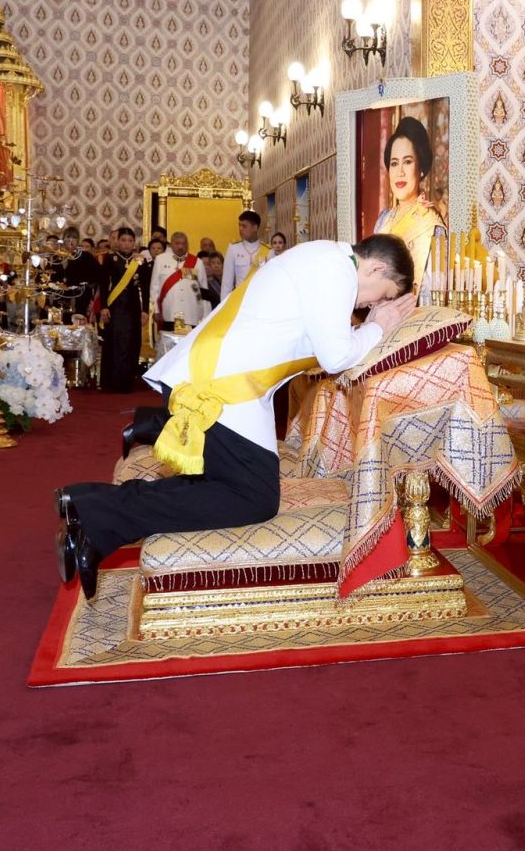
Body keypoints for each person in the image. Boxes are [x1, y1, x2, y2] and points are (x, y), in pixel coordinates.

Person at [54, 234, 418, 598]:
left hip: (232, 385)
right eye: (382, 295)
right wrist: (378, 326)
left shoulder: (327, 260)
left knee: (227, 485)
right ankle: (96, 513)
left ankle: (91, 510)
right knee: (252, 497)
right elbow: (336, 357)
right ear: (376, 268)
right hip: (220, 386)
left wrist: (367, 329)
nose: (373, 305)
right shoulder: (337, 271)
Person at [373, 116, 445, 288]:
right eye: (394, 163)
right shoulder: (383, 219)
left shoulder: (431, 226)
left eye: (407, 162)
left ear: (420, 169)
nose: (400, 172)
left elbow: (436, 289)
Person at [97, 227, 146, 392]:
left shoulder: (139, 261)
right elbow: (103, 284)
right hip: (115, 307)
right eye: (123, 240)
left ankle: (127, 382)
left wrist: (145, 310)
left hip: (133, 308)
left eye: (130, 241)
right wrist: (103, 307)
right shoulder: (110, 259)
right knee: (115, 343)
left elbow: (145, 287)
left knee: (131, 343)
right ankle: (111, 382)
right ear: (117, 241)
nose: (126, 244)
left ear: (134, 243)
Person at [148, 230, 208, 332]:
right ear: (171, 244)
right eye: (177, 243)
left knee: (188, 341)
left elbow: (204, 291)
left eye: (183, 243)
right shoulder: (160, 260)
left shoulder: (197, 262)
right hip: (169, 312)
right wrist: (156, 310)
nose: (180, 246)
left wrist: (206, 315)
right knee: (170, 341)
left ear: (187, 245)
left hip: (191, 314)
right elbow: (154, 287)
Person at [58, 226, 104, 319]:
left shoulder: (86, 256)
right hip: (60, 298)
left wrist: (88, 288)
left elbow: (99, 276)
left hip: (82, 298)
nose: (71, 240)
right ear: (63, 239)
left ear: (78, 240)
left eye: (74, 237)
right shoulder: (56, 257)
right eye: (68, 237)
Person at [224, 210, 270, 293]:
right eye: (239, 225)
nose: (240, 229)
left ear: (255, 228)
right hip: (240, 297)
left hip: (261, 296)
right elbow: (226, 284)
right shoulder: (233, 248)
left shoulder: (268, 251)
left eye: (244, 226)